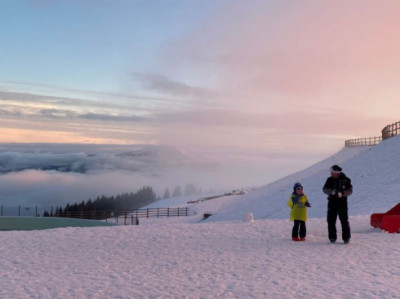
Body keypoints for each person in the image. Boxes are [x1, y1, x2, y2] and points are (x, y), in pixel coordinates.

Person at [322, 165, 353, 244]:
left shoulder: (346, 180)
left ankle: (346, 238)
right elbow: (325, 189)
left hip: (342, 203)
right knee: (331, 220)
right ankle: (332, 237)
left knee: (344, 220)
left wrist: (343, 193)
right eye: (332, 172)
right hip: (332, 202)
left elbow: (350, 191)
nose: (332, 174)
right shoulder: (329, 180)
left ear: (337, 172)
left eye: (333, 172)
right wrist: (332, 192)